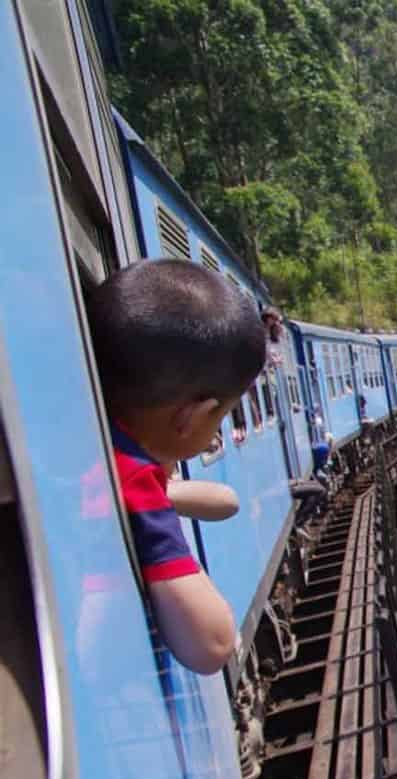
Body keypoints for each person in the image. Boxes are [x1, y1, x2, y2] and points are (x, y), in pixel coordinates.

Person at [86, 259, 267, 673]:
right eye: (222, 419)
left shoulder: (102, 458)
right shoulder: (129, 478)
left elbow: (225, 500)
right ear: (192, 416)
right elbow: (212, 644)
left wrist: (166, 491)